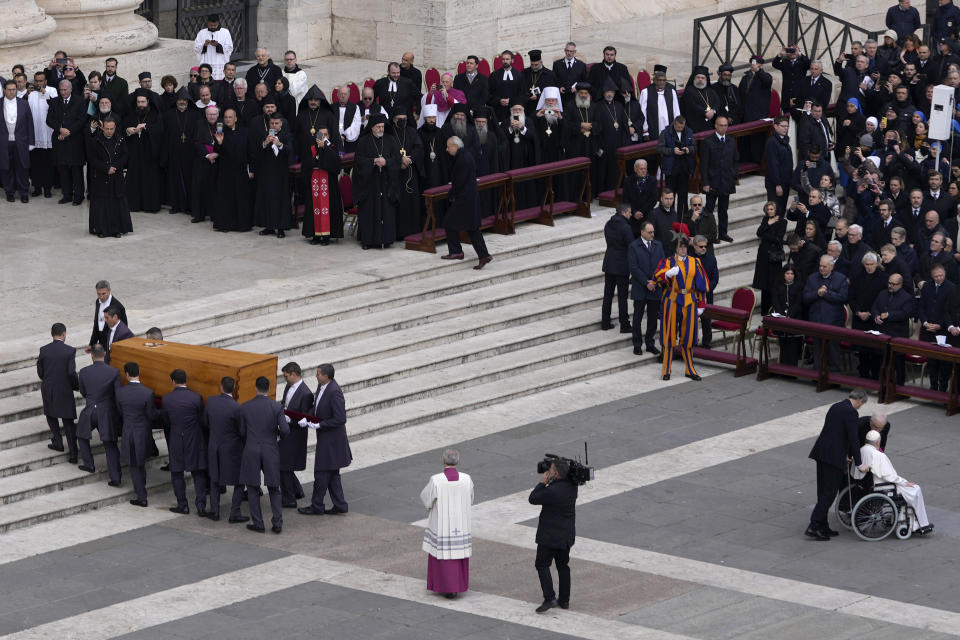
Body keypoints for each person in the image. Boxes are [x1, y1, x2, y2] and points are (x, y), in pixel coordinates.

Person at [806, 389, 868, 540]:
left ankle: (823, 526)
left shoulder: (836, 406)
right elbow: (853, 439)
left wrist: (844, 454)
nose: (860, 407)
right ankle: (813, 526)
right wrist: (859, 463)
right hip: (833, 458)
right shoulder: (851, 413)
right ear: (860, 401)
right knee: (829, 493)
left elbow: (835, 433)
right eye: (862, 404)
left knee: (822, 492)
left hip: (821, 453)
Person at [297, 363, 352, 516]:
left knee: (321, 473)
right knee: (332, 474)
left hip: (332, 441)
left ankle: (317, 505)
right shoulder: (322, 387)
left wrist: (320, 424)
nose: (316, 376)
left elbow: (340, 418)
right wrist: (307, 417)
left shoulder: (334, 392)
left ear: (326, 376)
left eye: (319, 373)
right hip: (327, 440)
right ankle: (340, 504)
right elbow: (317, 407)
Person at [420, 448, 474, 599]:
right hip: (461, 523)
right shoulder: (466, 479)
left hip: (442, 524)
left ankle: (443, 586)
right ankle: (457, 586)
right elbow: (471, 498)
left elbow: (426, 499)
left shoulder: (436, 480)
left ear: (443, 461)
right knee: (458, 555)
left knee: (442, 554)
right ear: (458, 461)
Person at [857, 430, 933, 534]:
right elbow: (889, 476)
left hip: (871, 484)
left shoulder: (862, 450)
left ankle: (906, 521)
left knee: (910, 491)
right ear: (878, 442)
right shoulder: (878, 455)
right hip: (884, 486)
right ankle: (921, 524)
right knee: (915, 489)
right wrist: (905, 482)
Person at [656, 233, 709, 380]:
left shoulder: (695, 262)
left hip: (690, 301)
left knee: (689, 337)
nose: (683, 250)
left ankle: (689, 369)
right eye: (681, 247)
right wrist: (667, 274)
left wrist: (701, 304)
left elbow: (702, 284)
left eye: (685, 247)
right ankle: (666, 369)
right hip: (672, 300)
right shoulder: (668, 262)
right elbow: (656, 277)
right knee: (669, 336)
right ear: (676, 249)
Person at [528, 457, 578, 613]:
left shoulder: (551, 491)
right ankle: (565, 600)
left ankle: (549, 598)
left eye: (550, 469)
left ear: (555, 474)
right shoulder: (572, 486)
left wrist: (543, 482)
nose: (547, 471)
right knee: (563, 566)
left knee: (542, 564)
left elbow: (533, 498)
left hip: (549, 536)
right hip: (566, 535)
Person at [240, 376, 288, 533]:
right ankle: (277, 523)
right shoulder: (276, 407)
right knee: (274, 487)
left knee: (253, 488)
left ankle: (258, 523)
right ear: (269, 389)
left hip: (252, 449)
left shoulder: (245, 407)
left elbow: (241, 431)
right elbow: (285, 430)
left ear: (256, 388)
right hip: (270, 450)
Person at [161, 369, 208, 515]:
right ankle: (201, 506)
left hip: (176, 438)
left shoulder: (167, 399)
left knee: (177, 473)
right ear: (186, 380)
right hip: (194, 439)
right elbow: (201, 418)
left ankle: (183, 505)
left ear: (173, 381)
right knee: (198, 473)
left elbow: (166, 421)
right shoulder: (196, 398)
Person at [442, 135, 492, 269]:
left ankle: (456, 251)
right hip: (469, 198)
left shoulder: (462, 159)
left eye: (448, 147)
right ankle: (484, 255)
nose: (447, 150)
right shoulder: (465, 155)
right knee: (472, 228)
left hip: (464, 199)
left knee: (449, 222)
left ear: (455, 146)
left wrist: (451, 195)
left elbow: (459, 182)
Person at [354, 113, 401, 249]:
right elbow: (358, 161)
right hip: (369, 185)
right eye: (378, 127)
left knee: (386, 212)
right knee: (369, 213)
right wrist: (373, 161)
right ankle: (367, 241)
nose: (381, 129)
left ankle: (386, 239)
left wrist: (386, 162)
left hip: (386, 183)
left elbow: (397, 159)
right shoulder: (363, 141)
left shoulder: (391, 140)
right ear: (372, 127)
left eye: (382, 126)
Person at [204, 376, 247, 522]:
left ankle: (214, 511)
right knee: (239, 481)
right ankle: (234, 513)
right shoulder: (237, 408)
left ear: (221, 387)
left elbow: (205, 422)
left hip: (215, 446)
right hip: (232, 449)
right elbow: (242, 431)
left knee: (215, 480)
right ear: (233, 389)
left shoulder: (210, 401)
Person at [116, 361, 158, 507]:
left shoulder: (120, 392)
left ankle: (141, 496)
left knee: (134, 466)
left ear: (126, 374)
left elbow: (120, 411)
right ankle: (142, 490)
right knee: (140, 463)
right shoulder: (148, 392)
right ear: (139, 372)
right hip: (143, 433)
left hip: (129, 431)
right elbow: (151, 415)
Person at [76, 345, 121, 478]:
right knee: (110, 444)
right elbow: (117, 394)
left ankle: (89, 464)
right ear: (105, 354)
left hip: (90, 410)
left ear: (92, 356)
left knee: (81, 435)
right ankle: (116, 477)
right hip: (106, 412)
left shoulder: (84, 372)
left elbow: (83, 392)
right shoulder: (114, 372)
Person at [37, 322, 79, 458]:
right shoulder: (70, 351)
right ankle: (73, 453)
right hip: (64, 388)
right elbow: (71, 373)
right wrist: (76, 386)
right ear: (64, 334)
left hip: (48, 388)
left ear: (52, 334)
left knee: (51, 415)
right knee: (68, 421)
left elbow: (40, 372)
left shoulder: (44, 350)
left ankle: (58, 443)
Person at [300, 123, 344, 244]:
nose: (323, 137)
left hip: (328, 183)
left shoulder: (333, 147)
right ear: (316, 135)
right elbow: (306, 164)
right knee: (314, 208)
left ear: (329, 136)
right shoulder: (311, 148)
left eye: (325, 134)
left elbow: (336, 164)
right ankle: (315, 235)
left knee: (327, 209)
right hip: (314, 182)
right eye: (321, 134)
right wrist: (315, 159)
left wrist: (325, 148)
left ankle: (326, 235)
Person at [803, 255, 849, 371]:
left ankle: (834, 377)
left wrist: (826, 293)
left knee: (833, 352)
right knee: (818, 351)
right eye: (820, 266)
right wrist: (817, 294)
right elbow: (805, 297)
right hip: (816, 321)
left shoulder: (841, 278)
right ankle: (817, 375)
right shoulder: (812, 278)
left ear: (832, 266)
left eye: (824, 266)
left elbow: (843, 298)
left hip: (833, 322)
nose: (821, 269)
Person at [212, 108, 253, 232]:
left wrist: (252, 169)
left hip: (241, 170)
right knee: (226, 199)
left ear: (235, 118)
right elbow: (217, 151)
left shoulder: (245, 132)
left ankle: (242, 225)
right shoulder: (220, 133)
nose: (228, 119)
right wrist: (219, 142)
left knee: (241, 198)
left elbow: (250, 152)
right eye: (225, 117)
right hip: (226, 171)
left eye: (230, 117)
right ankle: (225, 225)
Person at [278, 362, 313, 508]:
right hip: (286, 432)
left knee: (283, 466)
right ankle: (297, 490)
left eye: (286, 376)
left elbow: (305, 418)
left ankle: (289, 499)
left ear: (293, 374)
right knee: (286, 465)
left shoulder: (306, 393)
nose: (284, 379)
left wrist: (289, 419)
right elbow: (284, 404)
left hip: (296, 435)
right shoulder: (289, 386)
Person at [253, 113, 293, 237]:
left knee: (281, 200)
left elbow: (290, 150)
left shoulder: (286, 135)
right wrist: (265, 143)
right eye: (272, 123)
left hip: (281, 173)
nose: (274, 126)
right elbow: (257, 151)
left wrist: (279, 144)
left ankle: (281, 228)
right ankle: (269, 226)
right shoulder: (265, 135)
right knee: (267, 199)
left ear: (281, 123)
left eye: (276, 123)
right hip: (267, 172)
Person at [872, 273, 917, 384]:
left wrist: (889, 315)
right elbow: (874, 307)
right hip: (882, 334)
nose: (890, 286)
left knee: (898, 364)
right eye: (889, 283)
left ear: (900, 284)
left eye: (893, 284)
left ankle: (899, 387)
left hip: (897, 335)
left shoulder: (907, 297)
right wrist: (876, 316)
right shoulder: (882, 293)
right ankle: (883, 386)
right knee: (882, 362)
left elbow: (905, 314)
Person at [123, 91, 163, 212]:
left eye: (143, 102)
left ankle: (150, 206)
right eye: (138, 102)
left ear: (148, 101)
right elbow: (123, 127)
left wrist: (146, 127)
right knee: (134, 179)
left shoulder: (155, 114)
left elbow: (160, 130)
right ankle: (133, 205)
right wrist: (128, 131)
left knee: (149, 180)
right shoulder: (131, 113)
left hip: (149, 153)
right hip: (134, 152)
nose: (140, 104)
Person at [47, 79, 86, 205]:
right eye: (61, 90)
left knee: (76, 170)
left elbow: (82, 120)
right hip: (60, 141)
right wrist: (60, 129)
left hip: (75, 141)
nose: (63, 92)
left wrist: (69, 131)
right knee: (63, 170)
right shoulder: (54, 102)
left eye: (65, 90)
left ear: (70, 89)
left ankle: (79, 196)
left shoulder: (80, 101)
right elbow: (49, 120)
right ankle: (67, 195)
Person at [628, 221, 664, 356]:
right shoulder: (634, 246)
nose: (652, 234)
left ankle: (650, 343)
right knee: (637, 317)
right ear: (642, 232)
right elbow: (633, 267)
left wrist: (654, 281)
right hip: (640, 287)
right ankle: (637, 344)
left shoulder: (658, 245)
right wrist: (646, 282)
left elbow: (662, 264)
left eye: (653, 232)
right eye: (649, 232)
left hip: (655, 287)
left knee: (653, 317)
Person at [700, 115, 738, 242]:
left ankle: (723, 233)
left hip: (726, 180)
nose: (723, 128)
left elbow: (734, 160)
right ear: (715, 126)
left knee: (723, 210)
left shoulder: (731, 141)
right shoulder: (708, 142)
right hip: (712, 181)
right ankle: (708, 234)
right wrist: (705, 182)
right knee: (709, 210)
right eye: (721, 125)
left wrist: (734, 176)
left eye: (725, 125)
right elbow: (704, 164)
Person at [161, 88, 199, 214]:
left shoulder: (195, 114)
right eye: (179, 100)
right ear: (176, 101)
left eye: (184, 100)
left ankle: (188, 206)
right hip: (174, 152)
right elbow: (165, 135)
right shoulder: (168, 115)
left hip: (190, 153)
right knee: (174, 180)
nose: (182, 102)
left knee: (189, 179)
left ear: (188, 101)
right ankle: (176, 205)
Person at [919, 264, 955, 390]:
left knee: (945, 362)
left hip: (944, 331)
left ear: (945, 273)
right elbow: (921, 307)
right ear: (931, 276)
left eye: (941, 275)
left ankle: (943, 387)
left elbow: (951, 311)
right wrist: (925, 322)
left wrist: (940, 325)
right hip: (928, 329)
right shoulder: (927, 286)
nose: (939, 278)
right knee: (931, 360)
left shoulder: (951, 288)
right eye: (936, 276)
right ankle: (933, 386)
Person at [602, 203, 635, 332]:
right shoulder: (625, 227)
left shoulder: (608, 224)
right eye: (630, 212)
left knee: (608, 295)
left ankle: (605, 322)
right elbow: (631, 245)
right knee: (622, 296)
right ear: (624, 212)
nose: (631, 214)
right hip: (621, 265)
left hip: (609, 263)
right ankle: (624, 324)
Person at [1, 80, 34, 203]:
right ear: (4, 90)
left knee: (23, 168)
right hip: (4, 142)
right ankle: (9, 192)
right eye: (9, 89)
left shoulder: (24, 104)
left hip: (21, 141)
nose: (11, 92)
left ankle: (24, 192)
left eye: (14, 89)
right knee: (6, 168)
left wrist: (31, 142)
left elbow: (30, 123)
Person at [754, 202, 788, 315]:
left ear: (776, 209)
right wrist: (768, 224)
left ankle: (774, 309)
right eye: (768, 209)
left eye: (772, 209)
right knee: (764, 284)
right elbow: (759, 233)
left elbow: (778, 238)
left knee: (774, 284)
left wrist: (766, 233)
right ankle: (764, 311)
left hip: (774, 257)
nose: (770, 211)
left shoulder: (783, 221)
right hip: (763, 256)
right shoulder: (766, 220)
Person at [657, 116, 695, 217]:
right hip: (671, 169)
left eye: (682, 127)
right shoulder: (665, 133)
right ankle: (670, 218)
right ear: (674, 124)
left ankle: (683, 218)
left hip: (684, 168)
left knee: (683, 196)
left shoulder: (689, 131)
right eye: (678, 127)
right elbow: (660, 149)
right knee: (670, 195)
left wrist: (688, 149)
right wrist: (672, 151)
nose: (680, 129)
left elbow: (694, 147)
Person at [27, 71, 56, 198]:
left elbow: (56, 106)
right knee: (35, 163)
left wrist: (45, 93)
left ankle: (48, 188)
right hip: (34, 133)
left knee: (48, 163)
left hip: (48, 134)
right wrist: (27, 94)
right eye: (36, 81)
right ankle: (37, 187)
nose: (38, 83)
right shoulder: (31, 94)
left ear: (45, 81)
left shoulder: (52, 91)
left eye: (41, 81)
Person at [738, 56, 772, 161]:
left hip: (758, 115)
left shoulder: (765, 76)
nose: (753, 65)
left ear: (760, 65)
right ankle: (746, 161)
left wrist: (758, 71)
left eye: (756, 63)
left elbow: (767, 81)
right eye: (752, 63)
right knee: (745, 142)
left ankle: (758, 162)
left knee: (757, 142)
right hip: (746, 114)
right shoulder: (745, 77)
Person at [639, 65, 680, 146]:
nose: (662, 82)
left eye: (664, 80)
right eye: (659, 80)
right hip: (653, 127)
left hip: (669, 126)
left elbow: (676, 111)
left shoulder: (671, 91)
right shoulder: (646, 92)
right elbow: (642, 113)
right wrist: (645, 131)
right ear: (654, 80)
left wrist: (677, 127)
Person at [771, 266, 804, 364]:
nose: (790, 276)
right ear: (783, 274)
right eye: (787, 273)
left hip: (794, 318)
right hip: (781, 319)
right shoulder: (777, 285)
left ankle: (792, 369)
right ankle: (782, 367)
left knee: (792, 345)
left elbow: (798, 303)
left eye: (792, 274)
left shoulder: (799, 286)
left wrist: (790, 315)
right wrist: (782, 315)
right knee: (783, 344)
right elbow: (775, 301)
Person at [692, 234, 719, 349]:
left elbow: (715, 277)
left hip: (707, 295)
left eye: (705, 246)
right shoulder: (689, 259)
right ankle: (692, 341)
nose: (704, 248)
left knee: (706, 320)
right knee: (691, 320)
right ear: (694, 246)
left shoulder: (711, 258)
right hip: (692, 295)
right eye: (701, 246)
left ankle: (706, 342)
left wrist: (707, 289)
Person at [764, 115, 793, 215]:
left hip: (785, 182)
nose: (786, 128)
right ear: (775, 126)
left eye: (787, 126)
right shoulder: (772, 142)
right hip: (776, 184)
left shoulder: (785, 140)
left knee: (782, 210)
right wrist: (777, 184)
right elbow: (773, 165)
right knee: (775, 211)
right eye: (783, 126)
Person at [680, 66, 719, 132]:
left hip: (710, 125)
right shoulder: (689, 91)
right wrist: (705, 113)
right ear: (694, 79)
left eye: (702, 78)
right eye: (698, 77)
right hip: (695, 126)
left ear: (706, 79)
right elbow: (692, 106)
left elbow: (718, 103)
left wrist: (713, 111)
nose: (700, 79)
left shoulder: (710, 91)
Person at [487, 50, 522, 124]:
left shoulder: (519, 75)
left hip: (514, 110)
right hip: (499, 111)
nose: (505, 61)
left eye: (507, 59)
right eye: (503, 59)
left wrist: (512, 101)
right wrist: (499, 101)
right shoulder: (494, 75)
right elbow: (488, 94)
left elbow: (522, 94)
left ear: (512, 60)